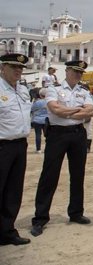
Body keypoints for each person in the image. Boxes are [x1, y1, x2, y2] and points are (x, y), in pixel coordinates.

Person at [31, 60, 93, 237]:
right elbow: (55, 109)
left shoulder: (83, 91)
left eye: (80, 72)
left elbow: (89, 111)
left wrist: (68, 110)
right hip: (57, 134)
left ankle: (76, 212)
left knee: (77, 174)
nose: (78, 75)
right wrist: (77, 110)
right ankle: (40, 218)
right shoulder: (54, 88)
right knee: (49, 175)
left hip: (78, 134)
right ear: (66, 71)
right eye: (75, 71)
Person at [0, 53, 32, 246]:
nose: (18, 71)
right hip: (2, 146)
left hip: (20, 145)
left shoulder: (22, 90)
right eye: (14, 68)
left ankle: (7, 231)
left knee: (13, 191)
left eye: (20, 68)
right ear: (3, 68)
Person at [30, 88, 49, 152]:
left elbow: (32, 109)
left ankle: (38, 149)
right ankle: (47, 148)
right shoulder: (48, 102)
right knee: (47, 135)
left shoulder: (37, 102)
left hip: (37, 120)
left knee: (38, 135)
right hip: (46, 120)